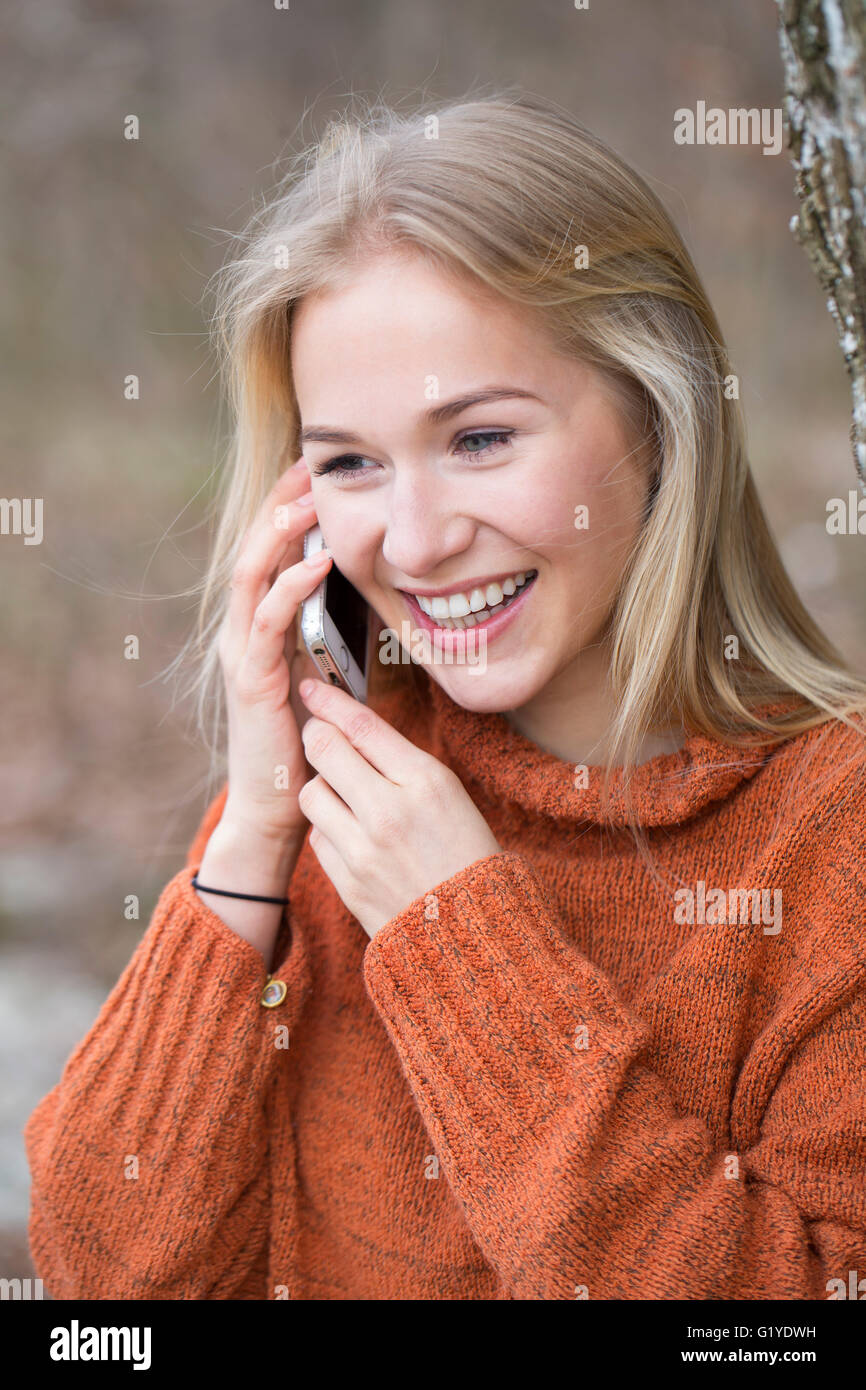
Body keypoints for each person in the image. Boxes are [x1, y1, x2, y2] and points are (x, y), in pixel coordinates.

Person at [24, 89, 866, 1300]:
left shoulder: (831, 838)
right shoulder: (337, 797)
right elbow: (103, 1291)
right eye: (350, 462)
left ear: (656, 410)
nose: (411, 543)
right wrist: (254, 838)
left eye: (478, 438)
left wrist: (462, 945)